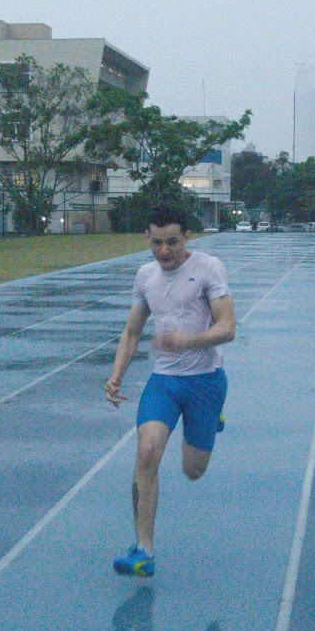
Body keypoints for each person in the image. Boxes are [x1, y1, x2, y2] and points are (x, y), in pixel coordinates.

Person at [104, 205, 236, 577]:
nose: (164, 252)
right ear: (147, 238)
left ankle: (212, 419)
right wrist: (116, 376)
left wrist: (187, 341)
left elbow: (227, 327)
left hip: (206, 380)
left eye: (173, 243)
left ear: (188, 237)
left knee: (193, 471)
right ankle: (143, 548)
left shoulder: (209, 268)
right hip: (163, 381)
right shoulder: (145, 276)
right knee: (147, 452)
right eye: (157, 242)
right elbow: (131, 333)